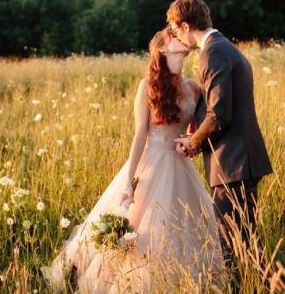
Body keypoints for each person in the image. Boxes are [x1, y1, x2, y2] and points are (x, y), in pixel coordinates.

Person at [41, 28, 223, 293]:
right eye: (173, 36)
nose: (180, 39)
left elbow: (195, 131)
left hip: (180, 167)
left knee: (181, 227)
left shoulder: (194, 88)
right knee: (141, 228)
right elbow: (140, 136)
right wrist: (129, 182)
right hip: (150, 163)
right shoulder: (147, 86)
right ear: (162, 49)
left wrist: (190, 143)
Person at [168, 0, 274, 267]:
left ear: (186, 25)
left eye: (177, 30)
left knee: (233, 248)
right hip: (239, 161)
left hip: (233, 162)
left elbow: (219, 114)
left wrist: (192, 142)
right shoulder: (224, 47)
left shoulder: (213, 52)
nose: (179, 38)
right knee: (245, 244)